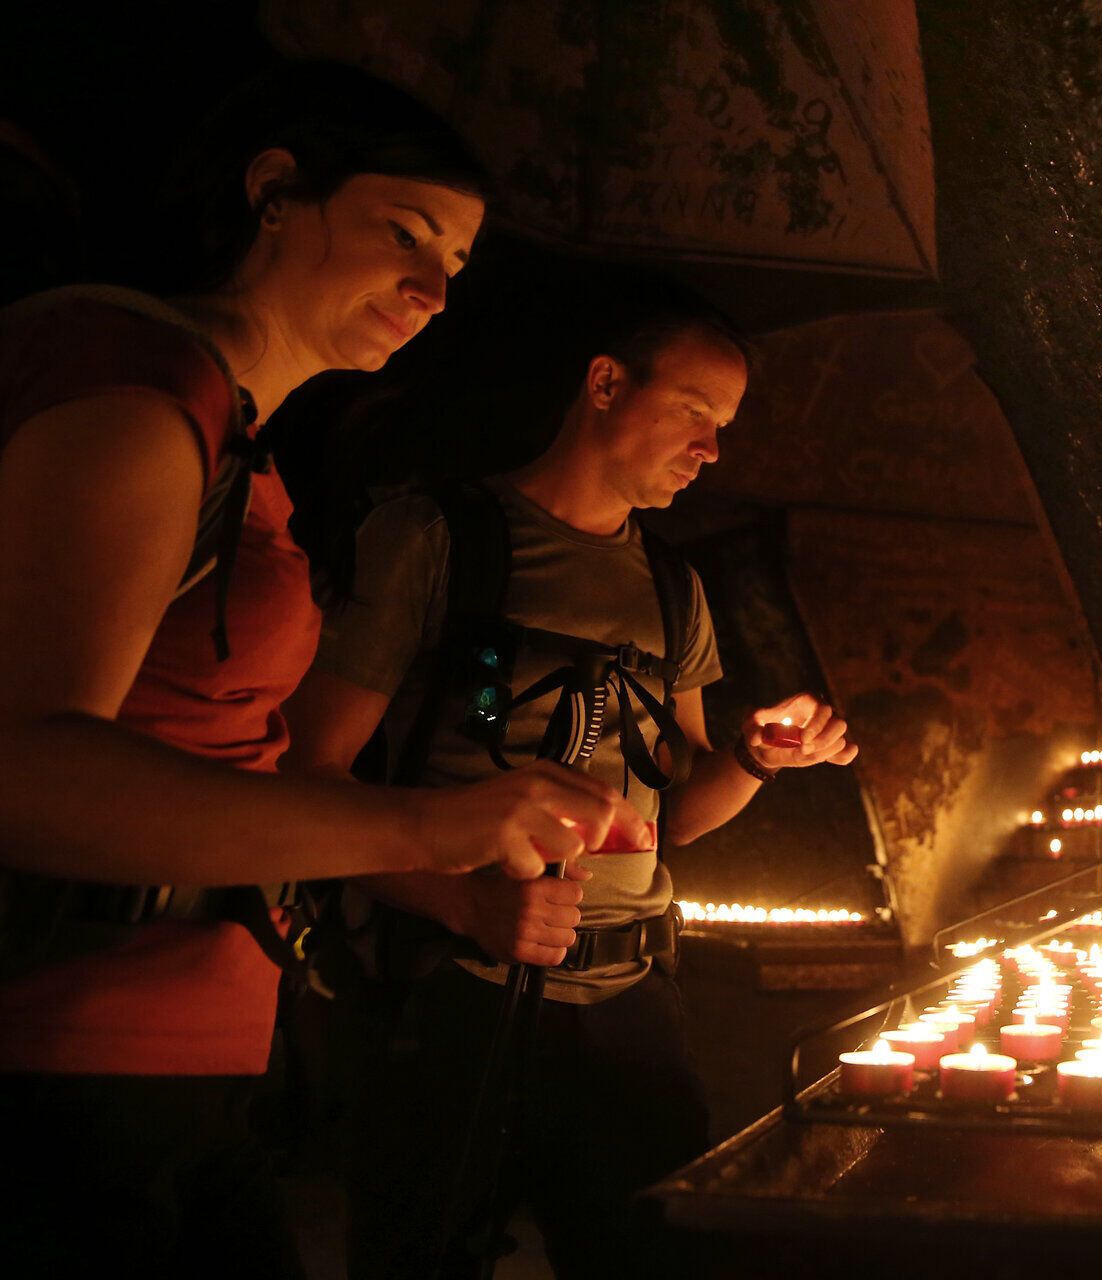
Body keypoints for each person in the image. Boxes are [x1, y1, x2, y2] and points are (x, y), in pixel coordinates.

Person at [0, 64, 642, 1276]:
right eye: (407, 233)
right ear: (275, 193)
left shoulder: (232, 427)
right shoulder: (133, 394)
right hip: (64, 1065)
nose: (434, 289)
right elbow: (24, 762)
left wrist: (448, 864)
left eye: (455, 263)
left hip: (184, 1059)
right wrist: (422, 826)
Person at [282, 289, 859, 1278]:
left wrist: (759, 757)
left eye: (723, 428)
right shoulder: (438, 538)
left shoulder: (675, 589)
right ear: (604, 383)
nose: (711, 449)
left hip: (631, 1000)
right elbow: (305, 779)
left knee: (650, 1253)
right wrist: (462, 900)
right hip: (449, 990)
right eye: (694, 410)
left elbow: (671, 813)